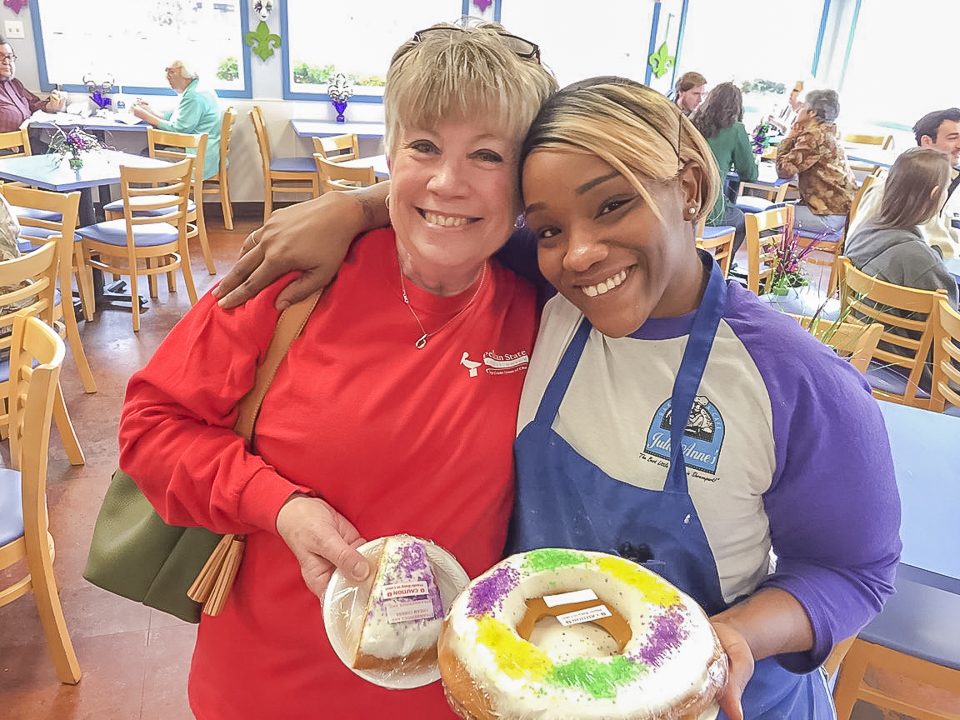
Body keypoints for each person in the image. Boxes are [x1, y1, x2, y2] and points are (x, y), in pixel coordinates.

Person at [214, 78, 901, 720]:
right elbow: (454, 209)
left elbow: (854, 570)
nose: (578, 253)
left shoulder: (797, 383)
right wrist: (349, 208)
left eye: (613, 205)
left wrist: (734, 634)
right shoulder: (541, 296)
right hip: (542, 690)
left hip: (717, 698)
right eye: (548, 229)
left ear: (689, 186)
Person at [118, 24, 557, 720]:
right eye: (423, 146)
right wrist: (279, 505)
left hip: (448, 690)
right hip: (270, 685)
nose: (448, 181)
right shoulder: (292, 279)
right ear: (391, 152)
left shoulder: (545, 312)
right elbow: (151, 432)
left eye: (487, 155)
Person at [844, 146, 957, 391]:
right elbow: (950, 336)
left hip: (870, 350)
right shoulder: (920, 261)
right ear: (935, 194)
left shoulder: (866, 230)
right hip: (915, 372)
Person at [849, 107, 960, 259]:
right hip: (912, 273)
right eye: (953, 138)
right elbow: (856, 248)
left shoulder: (953, 185)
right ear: (927, 141)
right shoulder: (890, 188)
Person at [775, 88, 858, 235]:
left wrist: (789, 137)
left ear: (812, 113)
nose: (798, 109)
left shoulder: (814, 136)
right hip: (838, 211)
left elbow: (784, 171)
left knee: (764, 220)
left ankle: (777, 258)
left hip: (826, 215)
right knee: (770, 212)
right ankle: (780, 258)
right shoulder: (829, 131)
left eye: (803, 105)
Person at [690, 81, 757, 255]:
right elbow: (749, 174)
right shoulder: (736, 129)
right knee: (740, 221)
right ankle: (722, 270)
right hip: (711, 210)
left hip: (684, 206)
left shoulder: (691, 123)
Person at [131, 60, 222, 180]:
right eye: (166, 71)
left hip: (196, 154)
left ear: (186, 75)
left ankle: (158, 196)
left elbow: (178, 129)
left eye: (172, 72)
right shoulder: (197, 89)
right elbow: (178, 119)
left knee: (143, 161)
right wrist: (151, 112)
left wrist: (146, 116)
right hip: (204, 150)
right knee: (147, 151)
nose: (167, 76)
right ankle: (162, 196)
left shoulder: (193, 96)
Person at [0, 37, 65, 133]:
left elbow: (33, 104)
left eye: (9, 57)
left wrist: (51, 106)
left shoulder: (14, 84)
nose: (6, 62)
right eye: (0, 57)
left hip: (26, 140)